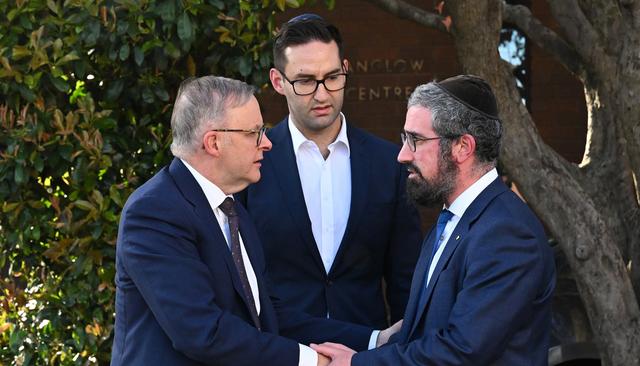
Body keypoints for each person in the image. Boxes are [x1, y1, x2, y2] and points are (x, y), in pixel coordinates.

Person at [111, 76, 388, 365]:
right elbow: (201, 332)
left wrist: (374, 340)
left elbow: (270, 316)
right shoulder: (154, 213)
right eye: (254, 132)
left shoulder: (232, 210)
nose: (266, 143)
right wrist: (314, 362)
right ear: (214, 142)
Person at [313, 75, 556, 365]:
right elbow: (423, 334)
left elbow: (461, 351)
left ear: (463, 147)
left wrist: (358, 364)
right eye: (405, 139)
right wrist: (361, 355)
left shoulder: (507, 234)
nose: (402, 154)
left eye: (415, 139)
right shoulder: (452, 220)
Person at [238, 13, 422, 333]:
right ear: (278, 81)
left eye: (332, 77)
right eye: (306, 81)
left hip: (365, 352)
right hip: (279, 352)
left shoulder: (389, 163)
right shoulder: (251, 163)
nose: (322, 94)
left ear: (345, 70)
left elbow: (405, 281)